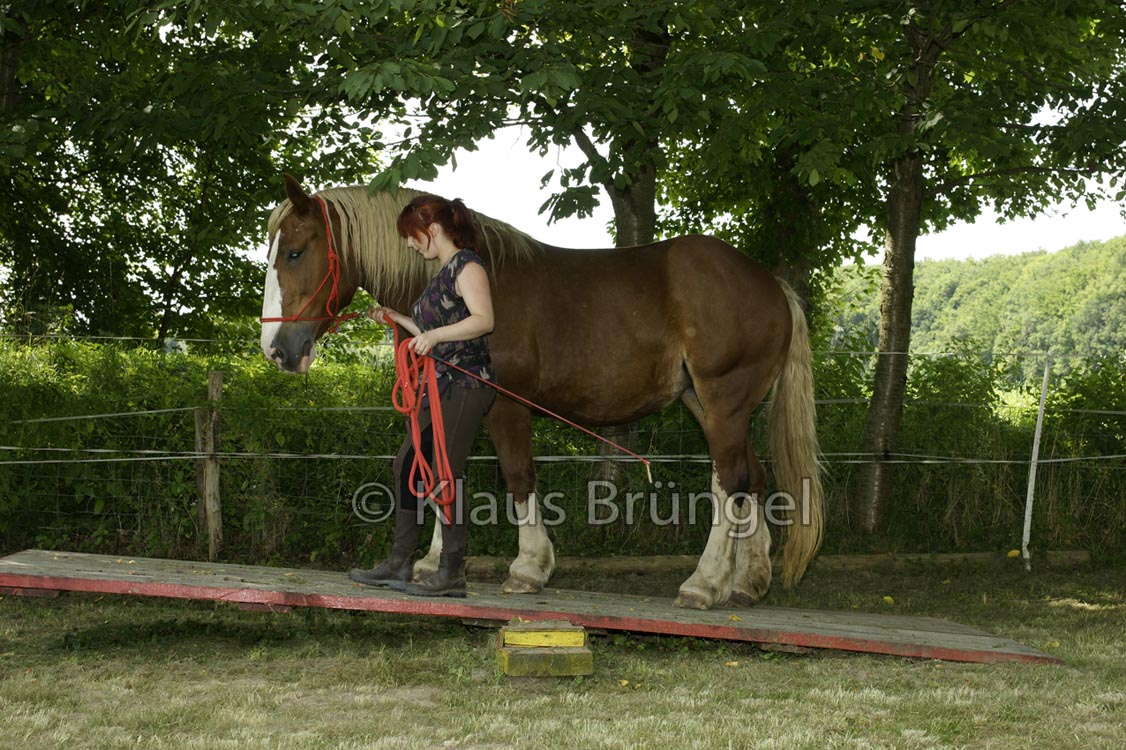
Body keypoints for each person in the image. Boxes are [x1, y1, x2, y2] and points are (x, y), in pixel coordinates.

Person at [349, 195, 496, 598]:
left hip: (466, 384)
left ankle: (452, 572)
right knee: (408, 465)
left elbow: (484, 320)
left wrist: (434, 335)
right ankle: (400, 562)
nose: (411, 245)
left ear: (431, 230)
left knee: (445, 472)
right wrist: (398, 319)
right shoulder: (444, 272)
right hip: (440, 384)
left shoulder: (467, 264)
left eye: (411, 237)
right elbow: (432, 329)